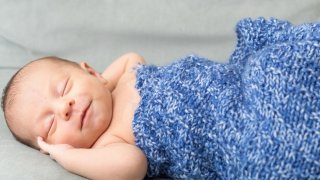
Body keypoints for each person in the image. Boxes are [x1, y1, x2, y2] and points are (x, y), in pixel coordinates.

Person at [1, 17, 320, 179]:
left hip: (238, 81)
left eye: (64, 88)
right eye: (52, 123)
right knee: (268, 152)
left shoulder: (124, 77)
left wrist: (101, 84)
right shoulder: (111, 143)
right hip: (229, 130)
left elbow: (130, 56)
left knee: (281, 59)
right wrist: (65, 155)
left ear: (92, 71)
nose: (65, 107)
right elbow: (132, 168)